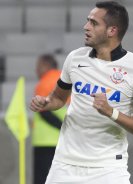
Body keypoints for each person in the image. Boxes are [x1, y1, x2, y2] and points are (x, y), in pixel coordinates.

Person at [29, 1, 133, 184]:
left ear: (112, 30)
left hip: (108, 168)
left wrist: (111, 112)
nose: (86, 27)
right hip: (65, 164)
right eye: (88, 21)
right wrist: (46, 102)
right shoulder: (75, 58)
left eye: (94, 23)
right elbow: (58, 98)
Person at [32, 54, 68, 184]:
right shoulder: (66, 80)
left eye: (38, 67)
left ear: (45, 66)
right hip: (65, 141)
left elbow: (44, 112)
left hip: (45, 143)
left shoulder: (44, 82)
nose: (36, 70)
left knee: (42, 179)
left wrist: (62, 126)